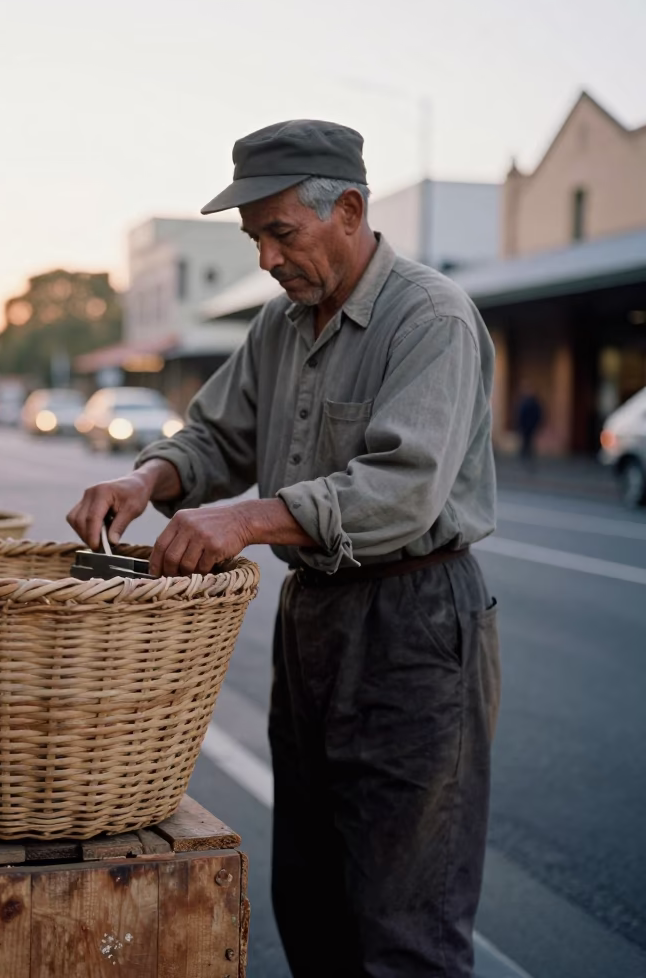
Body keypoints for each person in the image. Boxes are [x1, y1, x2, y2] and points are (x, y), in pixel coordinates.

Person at [68, 120, 500, 977]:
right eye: (253, 237)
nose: (265, 258)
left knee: (403, 926)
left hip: (414, 625)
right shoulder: (280, 325)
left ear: (347, 209)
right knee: (312, 899)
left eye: (280, 233)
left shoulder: (431, 317)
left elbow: (402, 491)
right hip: (313, 621)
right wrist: (146, 480)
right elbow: (214, 438)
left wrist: (247, 520)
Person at [516, 388, 543, 468]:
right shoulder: (524, 402)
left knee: (529, 442)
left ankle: (527, 458)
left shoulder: (533, 403)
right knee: (525, 442)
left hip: (530, 426)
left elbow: (538, 414)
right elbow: (520, 415)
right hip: (525, 426)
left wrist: (536, 424)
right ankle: (525, 458)